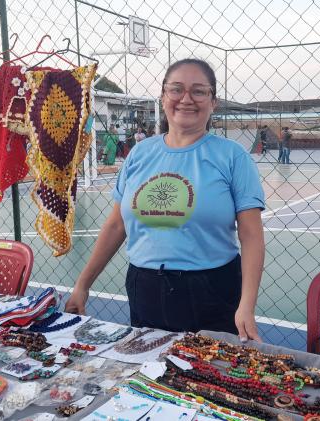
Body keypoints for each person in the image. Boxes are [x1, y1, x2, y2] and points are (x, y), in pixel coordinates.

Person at [65, 58, 265, 341]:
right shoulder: (139, 154)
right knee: (150, 376)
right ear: (163, 96)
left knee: (209, 378)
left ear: (213, 101)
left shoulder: (233, 157)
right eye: (176, 89)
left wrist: (247, 305)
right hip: (145, 288)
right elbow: (115, 226)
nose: (186, 99)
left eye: (198, 91)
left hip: (212, 290)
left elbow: (252, 235)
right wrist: (83, 285)